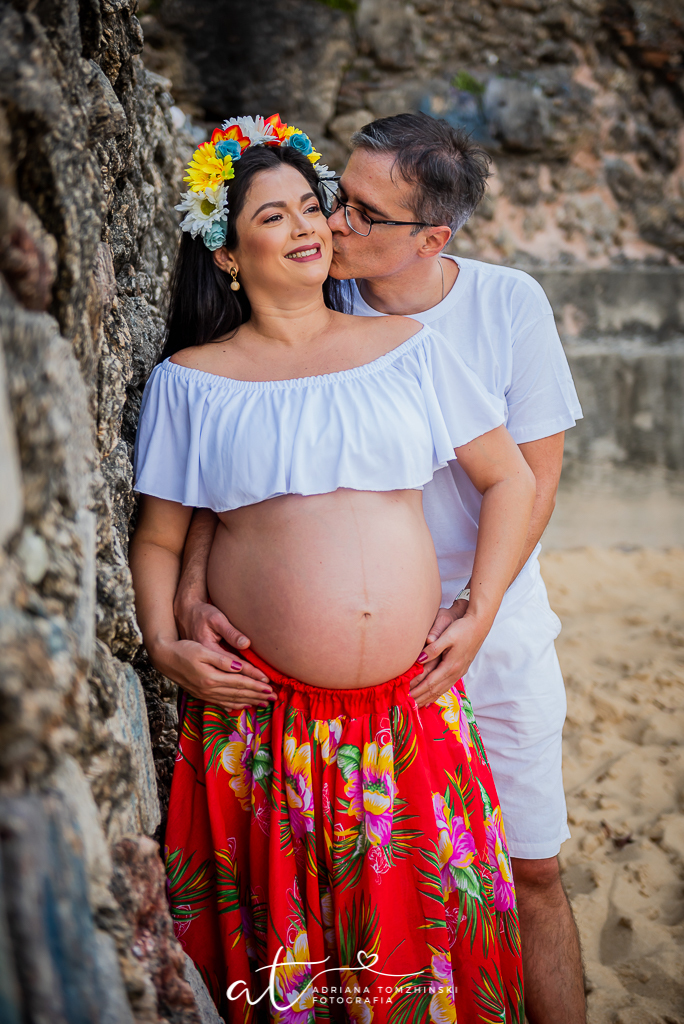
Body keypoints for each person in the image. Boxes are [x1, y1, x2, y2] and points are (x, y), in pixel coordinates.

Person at [174, 113, 586, 1024]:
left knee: (533, 867)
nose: (333, 221)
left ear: (430, 238)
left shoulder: (504, 304)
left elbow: (533, 482)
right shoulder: (312, 293)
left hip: (486, 622)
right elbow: (228, 462)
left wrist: (475, 614)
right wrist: (193, 586)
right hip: (344, 674)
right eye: (335, 196)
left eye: (361, 211)